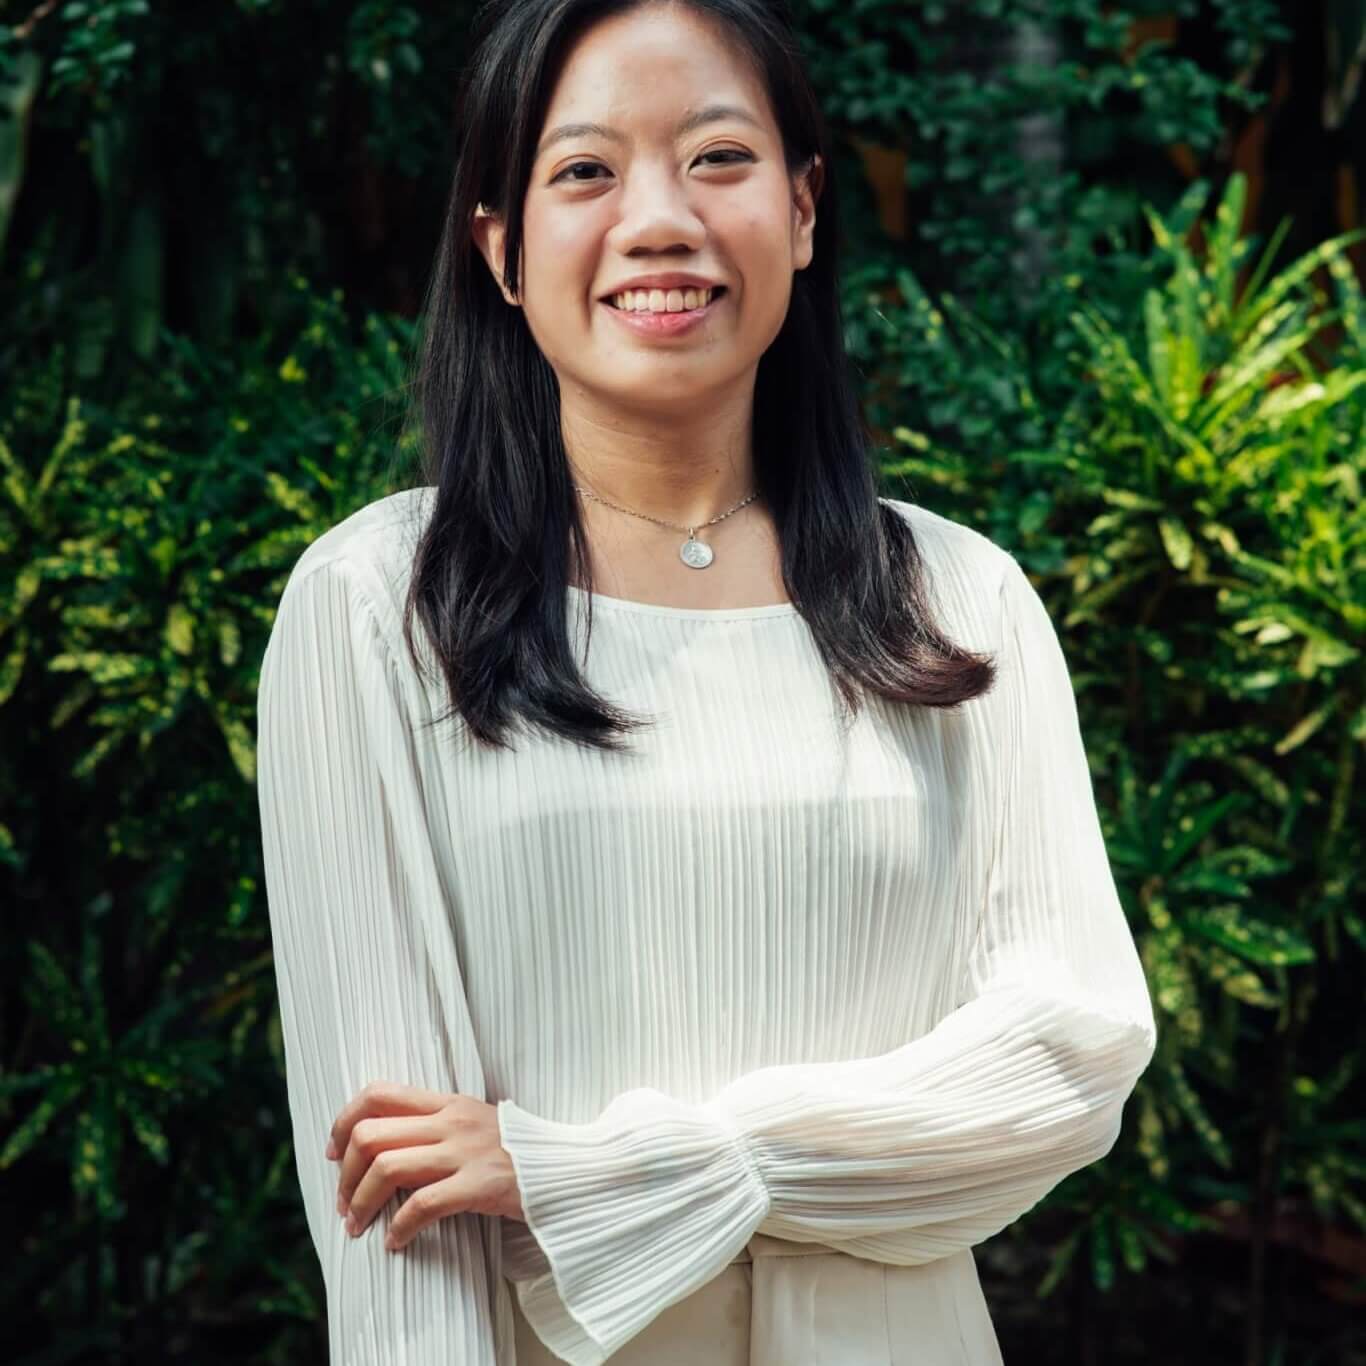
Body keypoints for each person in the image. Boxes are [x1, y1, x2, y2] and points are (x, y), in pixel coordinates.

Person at [254, 0, 1159, 1361]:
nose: (659, 220)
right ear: (500, 249)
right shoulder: (380, 606)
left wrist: (621, 1172)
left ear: (801, 210)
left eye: (718, 158)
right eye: (585, 170)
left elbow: (1067, 1064)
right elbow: (398, 1195)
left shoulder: (957, 603)